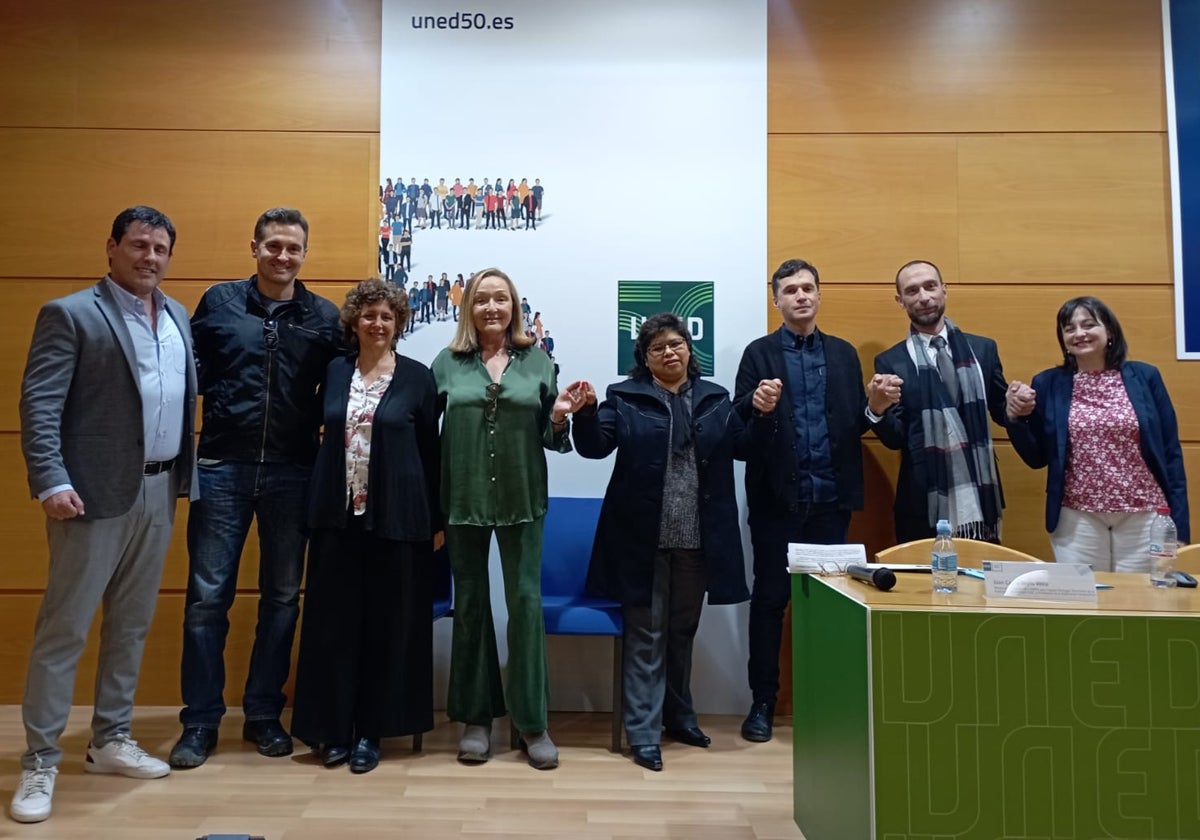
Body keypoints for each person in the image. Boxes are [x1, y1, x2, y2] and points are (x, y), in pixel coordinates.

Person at [11, 206, 197, 823]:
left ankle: (109, 740)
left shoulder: (175, 316)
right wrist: (50, 481)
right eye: (139, 246)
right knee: (64, 630)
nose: (150, 257)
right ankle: (40, 760)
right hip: (88, 496)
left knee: (133, 625)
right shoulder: (71, 314)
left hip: (158, 490)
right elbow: (39, 404)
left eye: (160, 248)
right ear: (112, 248)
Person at [170, 208, 341, 769]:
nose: (283, 257)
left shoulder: (323, 317)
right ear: (254, 247)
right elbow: (183, 375)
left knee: (282, 600)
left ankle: (264, 714)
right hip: (221, 467)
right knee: (206, 600)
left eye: (293, 248)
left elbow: (344, 391)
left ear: (305, 253)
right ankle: (199, 722)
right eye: (273, 246)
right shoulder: (218, 303)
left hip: (294, 471)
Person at [572, 314, 773, 771]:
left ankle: (679, 716)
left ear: (689, 349)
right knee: (646, 635)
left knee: (682, 633)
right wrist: (584, 413)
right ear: (644, 358)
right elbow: (595, 446)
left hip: (699, 538)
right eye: (658, 346)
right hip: (639, 539)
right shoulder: (623, 397)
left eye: (677, 343)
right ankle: (642, 733)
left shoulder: (715, 399)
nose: (669, 352)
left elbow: (743, 446)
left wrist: (760, 414)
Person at [290, 279, 440, 774]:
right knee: (332, 629)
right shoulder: (333, 372)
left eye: (388, 317)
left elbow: (430, 454)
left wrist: (436, 521)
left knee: (388, 629)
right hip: (336, 520)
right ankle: (331, 729)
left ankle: (371, 733)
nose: (378, 324)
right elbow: (315, 434)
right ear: (354, 322)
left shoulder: (418, 378)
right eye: (370, 315)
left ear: (399, 324)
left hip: (398, 522)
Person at [431, 268, 577, 771]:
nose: (492, 308)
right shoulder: (446, 364)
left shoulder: (539, 362)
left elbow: (552, 438)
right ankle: (476, 719)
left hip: (523, 498)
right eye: (482, 300)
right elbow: (426, 442)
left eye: (502, 299)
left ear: (514, 306)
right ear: (467, 308)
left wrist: (558, 416)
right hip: (463, 501)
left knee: (525, 603)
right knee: (470, 605)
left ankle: (531, 722)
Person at [733, 259, 869, 743]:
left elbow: (860, 422)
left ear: (819, 294)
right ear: (777, 301)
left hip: (830, 503)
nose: (801, 296)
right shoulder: (758, 354)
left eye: (808, 287)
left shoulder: (845, 354)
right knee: (770, 603)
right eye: (790, 290)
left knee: (829, 609)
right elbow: (739, 435)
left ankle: (826, 706)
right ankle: (763, 704)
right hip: (776, 505)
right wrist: (758, 407)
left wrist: (878, 406)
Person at [1006, 296, 1189, 568]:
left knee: (1140, 602)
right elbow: (1037, 457)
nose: (1079, 333)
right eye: (1069, 328)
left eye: (1089, 325)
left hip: (1144, 515)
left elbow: (1171, 453)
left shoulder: (1146, 377)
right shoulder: (1048, 383)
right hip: (1077, 518)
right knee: (1086, 602)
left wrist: (1180, 528)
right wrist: (1015, 417)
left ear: (1110, 331)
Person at [866, 260, 1009, 543]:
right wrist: (876, 408)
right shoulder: (892, 361)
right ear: (900, 300)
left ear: (944, 290)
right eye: (912, 291)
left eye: (930, 286)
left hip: (981, 494)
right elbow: (896, 439)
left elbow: (1002, 413)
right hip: (922, 500)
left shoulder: (983, 349)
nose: (924, 297)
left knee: (977, 584)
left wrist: (1019, 406)